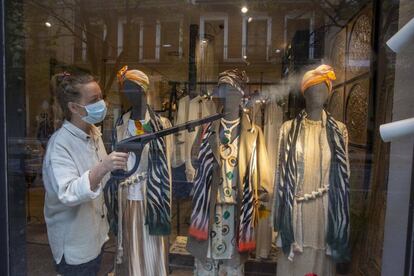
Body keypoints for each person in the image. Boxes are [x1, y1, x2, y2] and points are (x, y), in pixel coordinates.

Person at [42, 71, 128, 276]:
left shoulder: (93, 133)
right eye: (94, 99)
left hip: (95, 237)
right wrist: (103, 167)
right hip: (74, 244)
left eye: (101, 97)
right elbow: (68, 192)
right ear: (73, 107)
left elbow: (102, 180)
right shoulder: (60, 144)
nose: (102, 103)